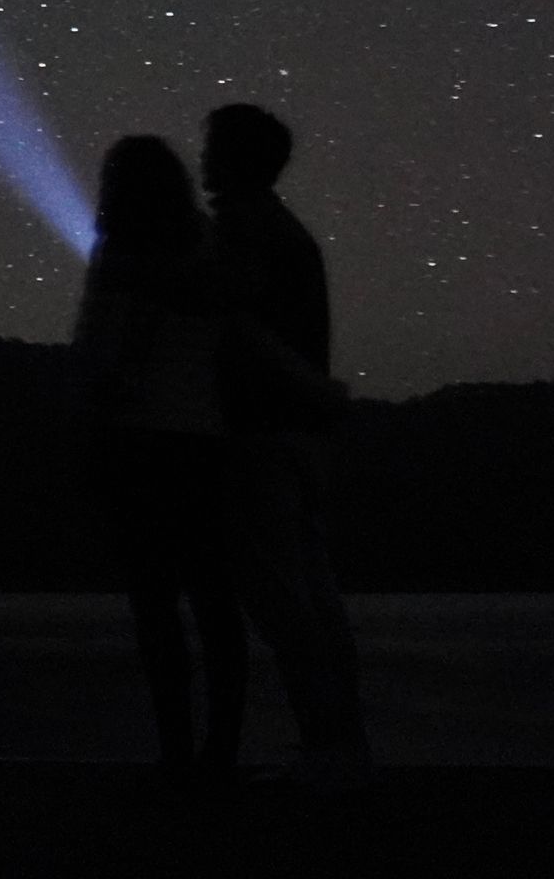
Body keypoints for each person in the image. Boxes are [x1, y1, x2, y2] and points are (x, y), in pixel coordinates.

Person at [201, 103, 371, 790]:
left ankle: (330, 751)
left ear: (237, 156)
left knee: (284, 605)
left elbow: (234, 325)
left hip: (260, 438)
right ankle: (342, 746)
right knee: (313, 602)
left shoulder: (242, 228)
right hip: (298, 438)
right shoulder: (288, 232)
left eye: (213, 146)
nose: (202, 158)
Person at [69, 135, 247, 785]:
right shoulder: (208, 245)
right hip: (203, 443)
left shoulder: (120, 255)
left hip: (137, 442)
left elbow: (94, 347)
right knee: (213, 602)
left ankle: (176, 754)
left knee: (156, 607)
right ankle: (221, 750)